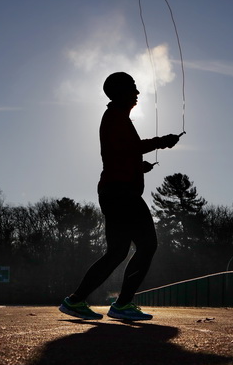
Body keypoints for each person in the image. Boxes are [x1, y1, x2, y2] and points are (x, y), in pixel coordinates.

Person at [59, 72, 180, 321]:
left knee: (116, 252)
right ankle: (122, 304)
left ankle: (75, 300)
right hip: (122, 193)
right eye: (133, 88)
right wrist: (162, 141)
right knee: (147, 245)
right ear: (120, 91)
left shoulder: (117, 117)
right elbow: (127, 148)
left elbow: (120, 152)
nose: (137, 93)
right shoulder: (115, 116)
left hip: (113, 191)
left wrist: (139, 165)